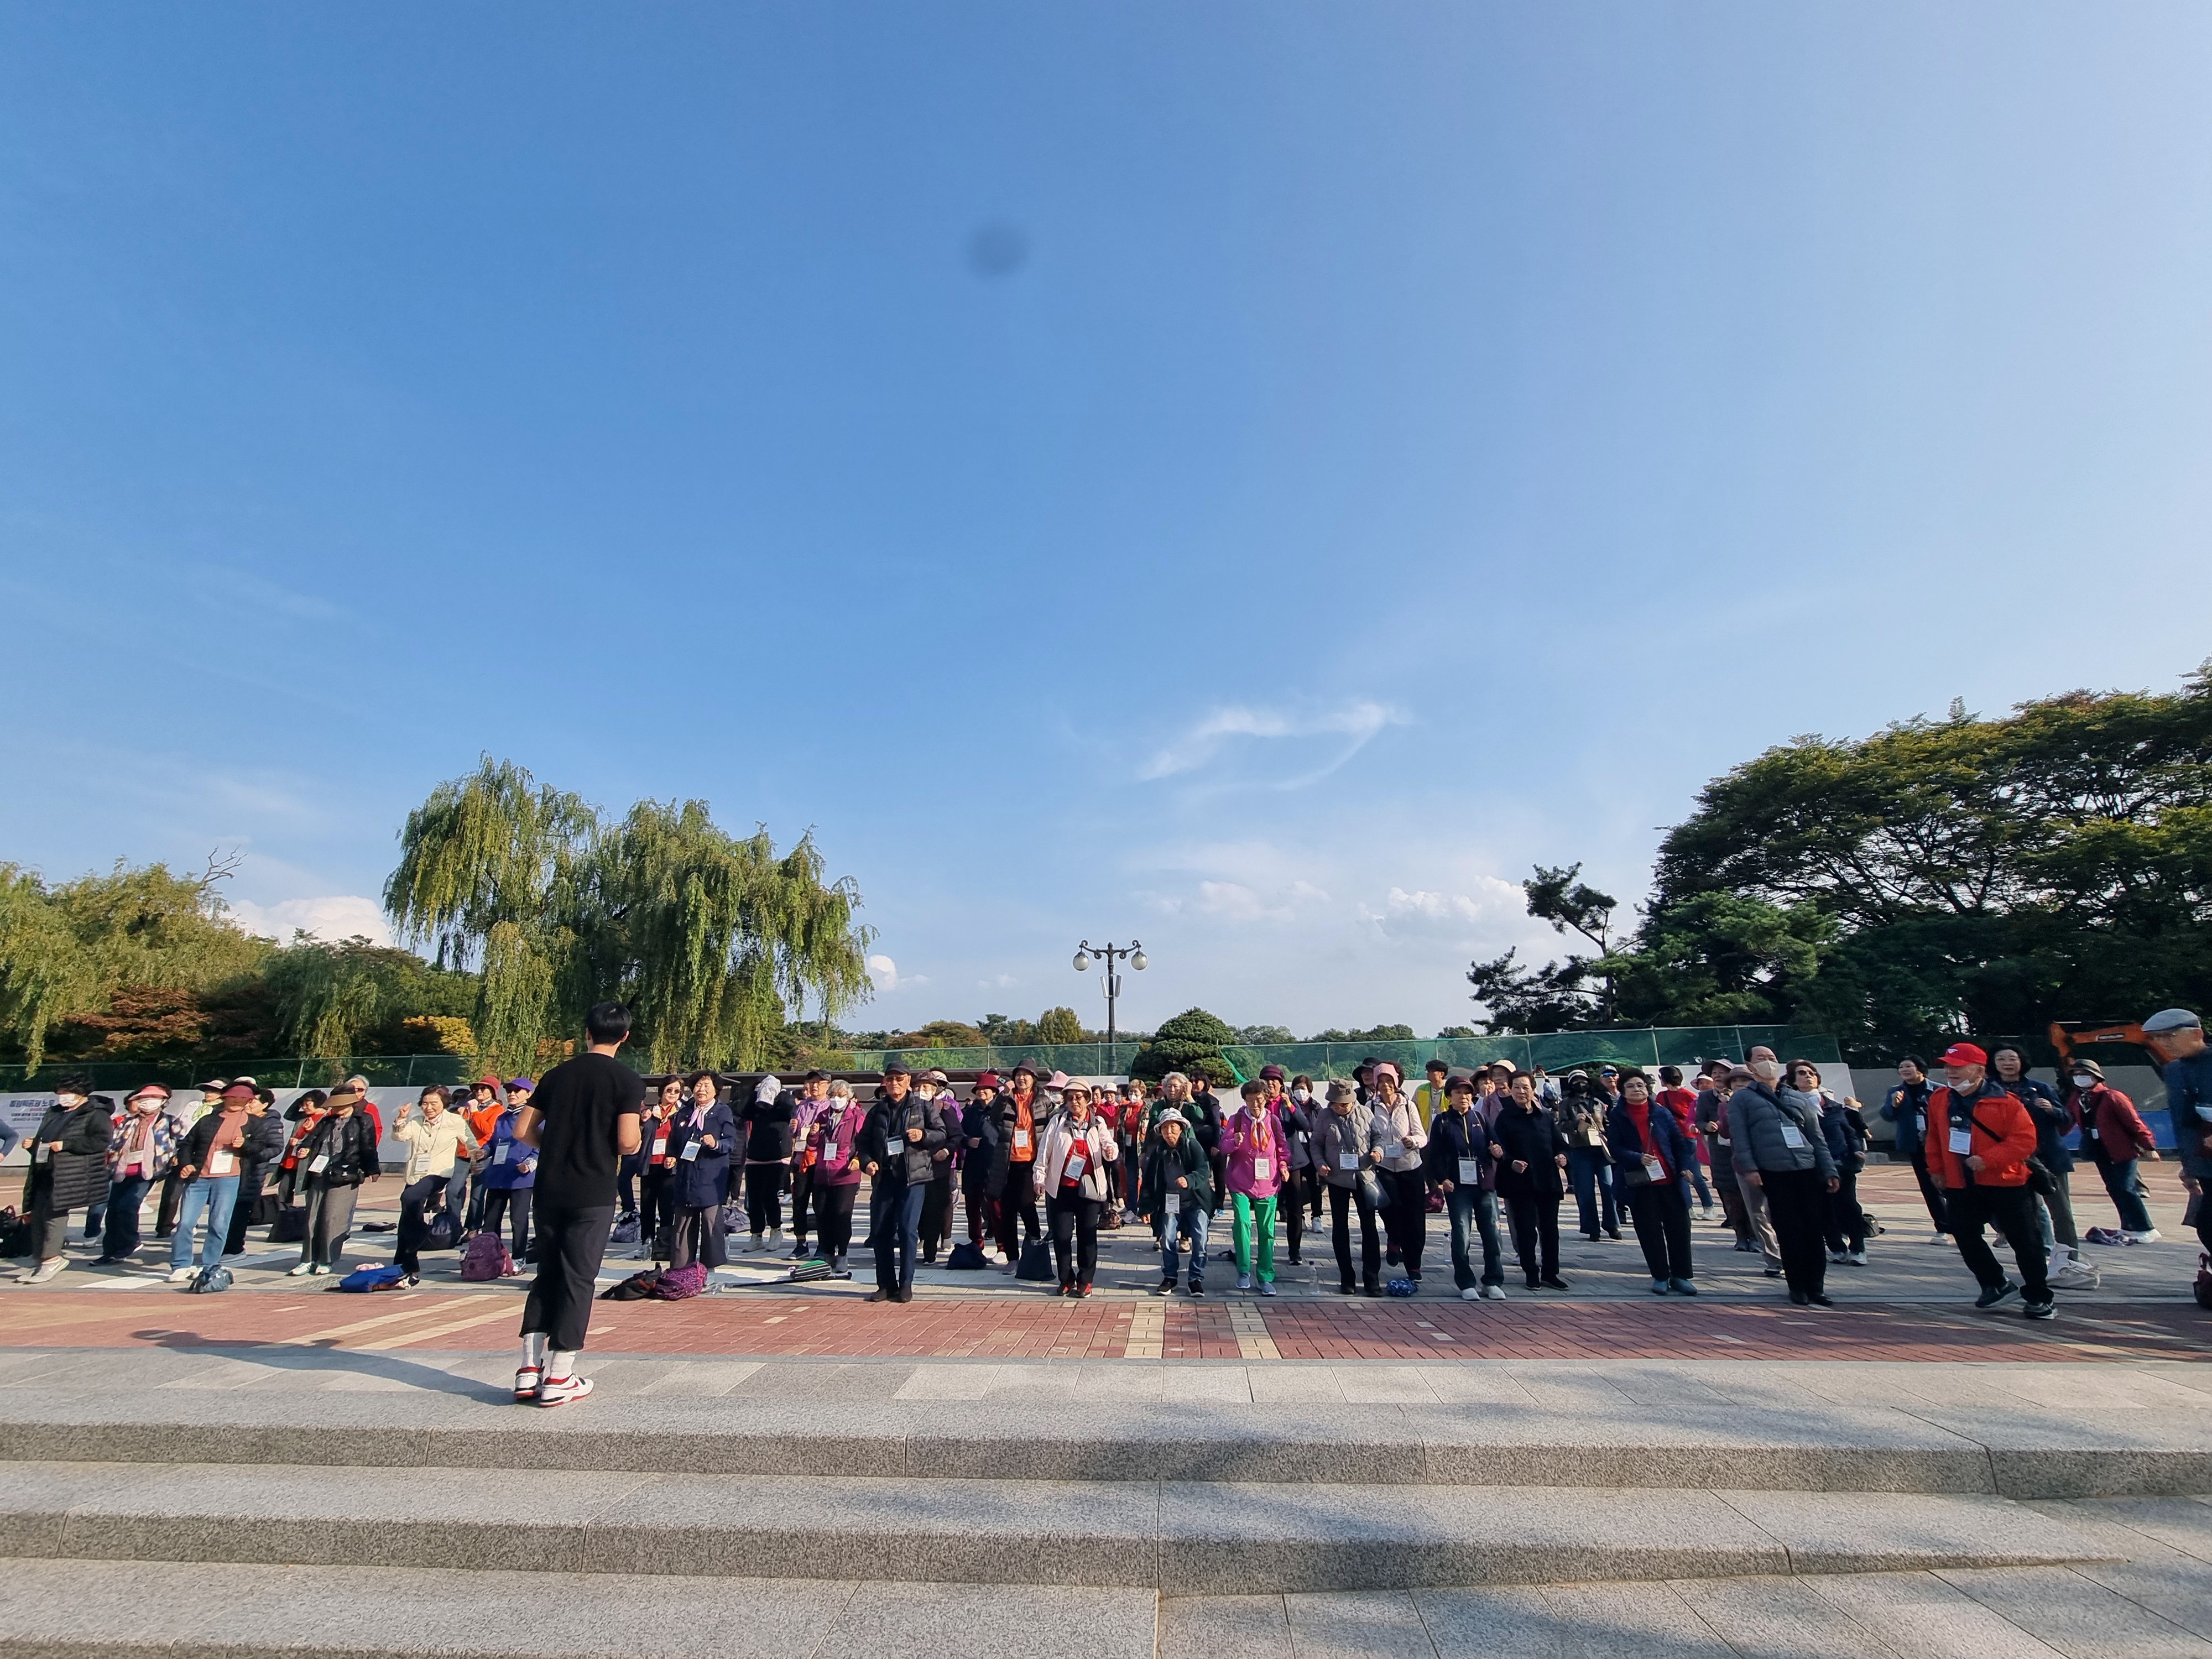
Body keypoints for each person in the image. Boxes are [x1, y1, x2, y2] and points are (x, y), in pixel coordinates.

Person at [512, 1000, 645, 1405]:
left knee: (547, 1274)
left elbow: (522, 1130)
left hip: (549, 1188)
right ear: (624, 1037)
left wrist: (555, 1147)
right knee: (579, 1279)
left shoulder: (556, 1075)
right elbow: (628, 1141)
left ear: (587, 1033)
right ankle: (560, 1374)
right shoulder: (627, 1080)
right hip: (593, 1191)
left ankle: (528, 1369)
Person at [1923, 1041, 2051, 1318]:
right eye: (1947, 1066)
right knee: (1964, 1234)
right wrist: (1936, 1170)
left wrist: (1988, 1159)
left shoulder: (2007, 1102)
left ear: (1980, 1070)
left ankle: (2039, 1296)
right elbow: (1933, 1138)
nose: (1950, 1072)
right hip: (1960, 1182)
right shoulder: (1940, 1099)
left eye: (1958, 1067)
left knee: (2024, 1241)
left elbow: (2024, 1141)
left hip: (2007, 1182)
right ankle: (1995, 1283)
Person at [1729, 1058, 1838, 1306]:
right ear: (1750, 1066)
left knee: (1813, 1229)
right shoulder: (1743, 1099)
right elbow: (1740, 1137)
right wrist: (1750, 1168)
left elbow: (1816, 1137)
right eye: (1761, 1059)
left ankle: (1816, 1287)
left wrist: (1829, 1170)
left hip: (1806, 1168)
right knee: (1790, 1230)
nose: (1768, 1063)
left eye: (1771, 1058)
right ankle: (1797, 1286)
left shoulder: (1797, 1097)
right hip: (1774, 1170)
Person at [1991, 1045, 2096, 1290]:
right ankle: (2037, 1259)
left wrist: (2052, 1109)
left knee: (2061, 1212)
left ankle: (2069, 1261)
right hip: (2013, 1160)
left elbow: (2067, 1118)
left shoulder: (2040, 1088)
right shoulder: (1990, 1091)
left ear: (2022, 1062)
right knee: (2025, 1212)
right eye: (2001, 1059)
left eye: (2012, 1058)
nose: (2007, 1063)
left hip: (2049, 1158)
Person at [15, 1077, 116, 1283]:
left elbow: (100, 1141)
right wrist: (34, 1145)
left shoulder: (97, 1113)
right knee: (37, 1215)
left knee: (54, 1215)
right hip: (44, 1170)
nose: (63, 1097)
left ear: (82, 1093)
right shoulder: (55, 1113)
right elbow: (46, 1140)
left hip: (70, 1173)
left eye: (67, 1093)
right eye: (60, 1093)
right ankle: (40, 1261)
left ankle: (52, 1259)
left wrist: (66, 1145)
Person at [1609, 1068, 1699, 1295]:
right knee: (1649, 1231)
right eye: (1630, 1086)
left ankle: (1681, 1276)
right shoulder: (1618, 1115)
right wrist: (1637, 1157)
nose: (1637, 1089)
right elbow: (1615, 1148)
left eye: (1640, 1085)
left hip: (1669, 1180)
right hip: (1640, 1183)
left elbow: (1679, 1143)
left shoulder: (1661, 1112)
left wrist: (1685, 1168)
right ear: (1623, 1091)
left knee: (1679, 1228)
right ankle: (1660, 1276)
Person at [861, 1061, 945, 1302]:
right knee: (881, 1232)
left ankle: (906, 1283)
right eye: (890, 1080)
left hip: (913, 1178)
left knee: (908, 1230)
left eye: (899, 1079)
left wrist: (924, 1135)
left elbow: (941, 1134)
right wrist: (867, 1162)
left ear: (909, 1081)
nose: (894, 1084)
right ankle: (886, 1285)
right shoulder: (877, 1110)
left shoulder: (923, 1107)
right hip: (885, 1177)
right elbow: (863, 1142)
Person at [288, 1084, 382, 1276]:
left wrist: (373, 1169)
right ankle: (307, 1259)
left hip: (346, 1173)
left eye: (339, 1104)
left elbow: (368, 1146)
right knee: (312, 1217)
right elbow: (312, 1139)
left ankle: (326, 1259)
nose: (336, 1108)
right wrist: (305, 1148)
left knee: (332, 1218)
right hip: (319, 1171)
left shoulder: (363, 1119)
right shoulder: (327, 1120)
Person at [390, 1085, 477, 1284]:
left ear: (444, 1103)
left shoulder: (454, 1121)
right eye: (425, 1103)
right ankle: (405, 1264)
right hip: (416, 1174)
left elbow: (471, 1143)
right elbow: (399, 1137)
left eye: (434, 1103)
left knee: (409, 1197)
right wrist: (401, 1119)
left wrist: (477, 1157)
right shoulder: (416, 1122)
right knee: (407, 1218)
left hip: (440, 1172)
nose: (428, 1108)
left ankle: (422, 1232)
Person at [1427, 1074, 1504, 1301]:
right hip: (1457, 1186)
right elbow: (1435, 1155)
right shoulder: (1442, 1121)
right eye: (1458, 1093)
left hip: (1484, 1184)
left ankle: (1492, 1281)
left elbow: (1496, 1146)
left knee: (1493, 1233)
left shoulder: (1481, 1118)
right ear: (1449, 1096)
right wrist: (1443, 1178)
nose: (1464, 1097)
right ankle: (1466, 1282)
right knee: (1462, 1234)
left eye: (1467, 1093)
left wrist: (1498, 1152)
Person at [1037, 1081, 1118, 1297]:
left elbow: (1110, 1144)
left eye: (1079, 1097)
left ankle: (1086, 1279)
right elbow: (1044, 1152)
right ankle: (1066, 1278)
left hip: (1089, 1189)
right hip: (1062, 1189)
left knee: (1087, 1235)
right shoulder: (1057, 1122)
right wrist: (1040, 1178)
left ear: (1088, 1099)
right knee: (1062, 1236)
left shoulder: (1097, 1122)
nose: (1075, 1102)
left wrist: (1110, 1150)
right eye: (1070, 1098)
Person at [168, 1081, 252, 1283]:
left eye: (242, 1098)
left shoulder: (254, 1123)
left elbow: (266, 1148)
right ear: (225, 1098)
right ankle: (181, 1265)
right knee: (186, 1223)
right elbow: (187, 1144)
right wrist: (187, 1165)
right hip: (199, 1177)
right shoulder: (207, 1120)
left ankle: (210, 1265)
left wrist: (245, 1146)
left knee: (219, 1223)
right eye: (233, 1097)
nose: (237, 1101)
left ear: (249, 1101)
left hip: (229, 1178)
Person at [2143, 1008, 2212, 1256]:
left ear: (2197, 1034)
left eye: (2169, 1036)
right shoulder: (2174, 1070)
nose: (2163, 1043)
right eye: (2157, 1037)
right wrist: (2189, 1166)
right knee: (2206, 1225)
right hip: (2205, 1161)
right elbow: (2182, 1122)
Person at [1494, 1071, 1570, 1292]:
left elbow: (1560, 1144)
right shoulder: (1505, 1118)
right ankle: (1531, 1273)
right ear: (1510, 1090)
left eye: (1525, 1087)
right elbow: (1499, 1150)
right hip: (1520, 1182)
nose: (1521, 1092)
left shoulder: (1546, 1116)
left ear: (1533, 1090)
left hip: (1547, 1180)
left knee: (1550, 1230)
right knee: (1526, 1231)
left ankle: (1551, 1273)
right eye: (1516, 1087)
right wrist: (1511, 1162)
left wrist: (1562, 1156)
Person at [2068, 1058, 2158, 1238]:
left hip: (2122, 1150)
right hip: (2099, 1149)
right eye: (2076, 1075)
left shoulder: (2113, 1096)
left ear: (2096, 1076)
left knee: (2125, 1188)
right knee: (2114, 1188)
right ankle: (2129, 1226)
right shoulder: (2077, 1098)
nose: (2080, 1078)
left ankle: (2146, 1228)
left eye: (2085, 1074)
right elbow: (2068, 1120)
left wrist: (2149, 1146)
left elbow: (2134, 1123)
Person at [97, 1085, 179, 1265]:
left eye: (154, 1098)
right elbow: (114, 1142)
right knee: (113, 1210)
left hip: (148, 1170)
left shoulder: (169, 1121)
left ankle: (131, 1241)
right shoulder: (127, 1121)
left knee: (128, 1205)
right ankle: (111, 1251)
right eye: (144, 1099)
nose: (148, 1102)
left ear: (163, 1101)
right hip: (122, 1169)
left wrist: (174, 1160)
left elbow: (182, 1141)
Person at [665, 1071, 735, 1273]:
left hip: (710, 1176)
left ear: (716, 1090)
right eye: (698, 1085)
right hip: (686, 1176)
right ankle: (681, 1270)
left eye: (706, 1086)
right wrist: (671, 1156)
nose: (701, 1090)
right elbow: (675, 1141)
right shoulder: (685, 1113)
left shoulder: (722, 1112)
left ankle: (709, 1269)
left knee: (710, 1223)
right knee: (682, 1224)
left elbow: (731, 1142)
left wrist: (716, 1143)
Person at [1314, 1081, 1381, 1295]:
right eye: (1335, 1104)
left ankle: (1372, 1278)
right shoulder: (1324, 1116)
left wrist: (1378, 1152)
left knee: (1369, 1227)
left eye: (1343, 1104)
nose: (1340, 1107)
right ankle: (1347, 1278)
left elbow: (1378, 1137)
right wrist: (1320, 1164)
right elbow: (1316, 1144)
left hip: (1363, 1176)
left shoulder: (1366, 1113)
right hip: (1337, 1178)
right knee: (1340, 1227)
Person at [1366, 1062, 1430, 1282]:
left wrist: (1413, 1141)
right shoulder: (1370, 1107)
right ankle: (1394, 1239)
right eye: (1381, 1081)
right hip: (1384, 1166)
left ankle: (1414, 1265)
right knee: (1390, 1209)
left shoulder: (1408, 1105)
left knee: (1415, 1218)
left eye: (1389, 1081)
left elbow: (1422, 1136)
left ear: (1397, 1082)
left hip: (1410, 1166)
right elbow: (1367, 1135)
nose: (1386, 1086)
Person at [1223, 1079, 1286, 1295]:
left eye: (1259, 1100)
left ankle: (1265, 1275)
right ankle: (1243, 1271)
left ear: (1266, 1098)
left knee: (1267, 1231)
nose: (1255, 1105)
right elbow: (1223, 1146)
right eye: (1250, 1100)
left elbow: (1282, 1148)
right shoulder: (1237, 1120)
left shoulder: (1274, 1121)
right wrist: (1234, 1141)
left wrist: (1284, 1166)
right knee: (1242, 1224)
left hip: (1268, 1182)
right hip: (1240, 1181)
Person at [1879, 1056, 1948, 1244]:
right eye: (1901, 1067)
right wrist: (1895, 1105)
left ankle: (1963, 1221)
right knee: (1929, 1186)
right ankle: (1942, 1227)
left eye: (1909, 1066)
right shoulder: (1896, 1091)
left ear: (1920, 1069)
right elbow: (1887, 1115)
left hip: (1941, 1143)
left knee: (1951, 1183)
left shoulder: (1939, 1090)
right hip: (1915, 1144)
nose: (1904, 1069)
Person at [1806, 1066, 1869, 1266]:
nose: (1807, 1077)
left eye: (1811, 1074)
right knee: (1824, 1208)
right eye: (1801, 1074)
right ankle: (1837, 1248)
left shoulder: (1835, 1108)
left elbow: (1850, 1133)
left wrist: (1856, 1150)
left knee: (1849, 1205)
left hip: (1841, 1163)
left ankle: (1858, 1248)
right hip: (1812, 1165)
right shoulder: (1793, 1107)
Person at [1144, 1112, 1212, 1296]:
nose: (1169, 1132)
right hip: (1171, 1202)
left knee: (1200, 1239)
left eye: (1173, 1127)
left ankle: (1195, 1278)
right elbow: (1149, 1181)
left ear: (1181, 1128)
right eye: (1165, 1128)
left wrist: (1189, 1180)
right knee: (1167, 1238)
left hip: (1195, 1202)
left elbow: (1204, 1170)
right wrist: (1146, 1208)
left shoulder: (1192, 1146)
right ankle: (1170, 1277)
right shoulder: (1158, 1152)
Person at [987, 1062, 1044, 1267]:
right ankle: (1012, 1257)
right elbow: (994, 1117)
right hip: (1008, 1161)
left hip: (1031, 1161)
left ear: (1034, 1079)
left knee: (1027, 1205)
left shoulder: (1043, 1100)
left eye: (1026, 1075)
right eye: (1019, 1075)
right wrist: (1004, 1095)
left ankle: (1036, 1250)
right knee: (1008, 1210)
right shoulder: (1007, 1098)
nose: (1022, 1079)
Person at [222, 1087, 289, 1255]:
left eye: (254, 1101)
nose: (249, 1104)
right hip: (228, 1169)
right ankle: (221, 1245)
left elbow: (276, 1147)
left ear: (265, 1105)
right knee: (224, 1210)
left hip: (253, 1172)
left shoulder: (271, 1123)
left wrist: (253, 1154)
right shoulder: (239, 1118)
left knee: (240, 1212)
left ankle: (234, 1249)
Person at [806, 1078, 865, 1271]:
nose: (836, 1099)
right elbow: (813, 1144)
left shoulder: (857, 1116)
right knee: (822, 1214)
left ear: (849, 1097)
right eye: (832, 1095)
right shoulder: (823, 1115)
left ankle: (843, 1253)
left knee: (841, 1215)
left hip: (846, 1173)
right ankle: (827, 1252)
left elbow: (864, 1141)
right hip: (823, 1172)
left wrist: (858, 1159)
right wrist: (813, 1134)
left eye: (840, 1095)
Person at [478, 1082, 539, 1264]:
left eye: (517, 1091)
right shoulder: (502, 1118)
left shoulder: (536, 1118)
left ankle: (519, 1258)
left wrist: (530, 1163)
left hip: (521, 1178)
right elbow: (493, 1143)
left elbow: (542, 1145)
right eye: (509, 1091)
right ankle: (490, 1259)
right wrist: (483, 1152)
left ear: (529, 1094)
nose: (512, 1094)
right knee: (490, 1220)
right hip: (498, 1175)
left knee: (518, 1220)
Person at [1557, 1073, 1621, 1242]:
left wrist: (1608, 1135)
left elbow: (1607, 1124)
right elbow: (1561, 1126)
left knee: (1609, 1187)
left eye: (1583, 1081)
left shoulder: (1598, 1103)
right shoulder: (1566, 1104)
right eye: (1576, 1082)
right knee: (1585, 1191)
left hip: (1601, 1149)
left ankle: (1612, 1224)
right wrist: (1576, 1123)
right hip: (1580, 1150)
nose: (1581, 1084)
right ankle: (1592, 1227)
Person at [737, 1074, 795, 1254]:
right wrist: (755, 1093)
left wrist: (779, 1093)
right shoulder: (757, 1104)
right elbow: (742, 1112)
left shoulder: (784, 1100)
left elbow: (790, 1111)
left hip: (777, 1155)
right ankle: (756, 1234)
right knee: (754, 1199)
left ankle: (776, 1230)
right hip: (755, 1155)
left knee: (770, 1197)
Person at [156, 1079, 222, 1239]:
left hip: (203, 1152)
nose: (209, 1093)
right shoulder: (193, 1105)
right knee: (172, 1191)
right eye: (207, 1090)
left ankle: (189, 1223)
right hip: (183, 1148)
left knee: (194, 1191)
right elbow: (178, 1127)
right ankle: (164, 1226)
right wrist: (174, 1152)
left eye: (214, 1091)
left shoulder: (222, 1110)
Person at [637, 1076, 686, 1260]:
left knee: (667, 1208)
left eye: (677, 1091)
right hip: (650, 1165)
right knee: (647, 1207)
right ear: (662, 1091)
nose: (673, 1094)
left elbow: (683, 1139)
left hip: (670, 1167)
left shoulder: (682, 1114)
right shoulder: (650, 1112)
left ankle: (664, 1244)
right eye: (669, 1090)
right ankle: (646, 1242)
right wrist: (643, 1122)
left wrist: (676, 1157)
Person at [1655, 1066, 1715, 1218]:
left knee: (1695, 1174)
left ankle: (1708, 1206)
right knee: (1680, 1174)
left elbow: (1698, 1115)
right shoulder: (1661, 1096)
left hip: (1689, 1138)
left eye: (1661, 1077)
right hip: (1671, 1139)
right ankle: (1687, 1207)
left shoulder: (1688, 1095)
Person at [786, 1071, 832, 1260]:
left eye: (819, 1083)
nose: (815, 1086)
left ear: (828, 1085)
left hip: (821, 1161)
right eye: (812, 1083)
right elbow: (794, 1134)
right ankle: (801, 1244)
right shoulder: (802, 1106)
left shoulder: (830, 1106)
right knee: (799, 1203)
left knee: (821, 1205)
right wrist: (793, 1129)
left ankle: (823, 1245)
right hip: (801, 1161)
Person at [959, 1073, 1003, 1253]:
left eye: (986, 1089)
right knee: (972, 1207)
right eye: (979, 1089)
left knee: (996, 1208)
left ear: (994, 1091)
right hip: (973, 1165)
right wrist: (968, 1141)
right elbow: (959, 1135)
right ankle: (976, 1243)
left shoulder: (1001, 1110)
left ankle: (1002, 1246)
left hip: (995, 1165)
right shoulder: (971, 1112)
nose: (982, 1092)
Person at [919, 1070, 959, 1260]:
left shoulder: (945, 1108)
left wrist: (947, 1151)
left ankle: (931, 1250)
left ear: (934, 1090)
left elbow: (957, 1136)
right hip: (913, 1168)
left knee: (935, 1208)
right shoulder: (908, 1108)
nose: (921, 1090)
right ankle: (921, 1240)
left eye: (926, 1087)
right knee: (918, 1208)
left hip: (938, 1168)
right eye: (918, 1087)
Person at [460, 1076, 505, 1233]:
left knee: (477, 1194)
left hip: (482, 1154)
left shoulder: (497, 1110)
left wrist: (474, 1112)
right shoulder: (470, 1107)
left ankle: (473, 1228)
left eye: (483, 1088)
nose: (479, 1091)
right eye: (476, 1089)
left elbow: (489, 1131)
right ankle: (453, 1225)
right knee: (454, 1189)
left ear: (492, 1091)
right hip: (463, 1153)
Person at [1413, 1056, 1451, 1132]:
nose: (1428, 1073)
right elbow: (1413, 1111)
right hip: (1425, 1131)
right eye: (1427, 1071)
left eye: (1431, 1071)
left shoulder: (1450, 1090)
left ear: (1441, 1074)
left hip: (1446, 1130)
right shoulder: (1421, 1090)